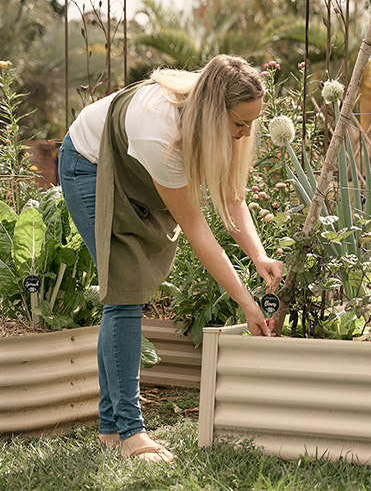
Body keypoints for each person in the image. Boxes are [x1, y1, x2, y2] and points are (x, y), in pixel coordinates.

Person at [58, 54, 283, 462]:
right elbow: (199, 231)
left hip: (133, 170)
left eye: (252, 123)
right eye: (239, 124)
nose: (245, 133)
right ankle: (131, 434)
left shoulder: (218, 124)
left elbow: (233, 199)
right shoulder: (159, 131)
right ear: (214, 113)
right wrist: (246, 303)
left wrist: (260, 257)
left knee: (128, 294)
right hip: (89, 164)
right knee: (125, 293)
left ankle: (110, 429)